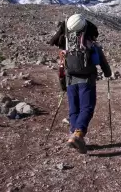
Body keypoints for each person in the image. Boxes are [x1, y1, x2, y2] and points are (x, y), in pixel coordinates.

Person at [48, 14, 111, 153]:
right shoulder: (89, 42)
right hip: (86, 80)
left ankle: (73, 135)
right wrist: (108, 73)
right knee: (87, 107)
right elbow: (102, 60)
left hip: (70, 80)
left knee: (74, 109)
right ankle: (78, 134)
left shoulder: (66, 43)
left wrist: (62, 84)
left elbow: (62, 65)